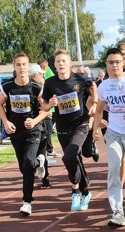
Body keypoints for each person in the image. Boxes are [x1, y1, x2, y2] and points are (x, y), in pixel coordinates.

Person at [42, 49, 97, 212]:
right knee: (73, 159)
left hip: (80, 124)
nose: (60, 64)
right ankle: (85, 191)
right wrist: (50, 104)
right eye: (58, 61)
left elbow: (93, 86)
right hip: (62, 128)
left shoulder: (80, 79)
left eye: (63, 61)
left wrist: (93, 103)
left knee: (70, 156)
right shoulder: (50, 83)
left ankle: (75, 191)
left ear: (69, 63)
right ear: (55, 64)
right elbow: (44, 105)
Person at [0, 52, 49, 216]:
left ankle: (27, 202)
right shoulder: (7, 87)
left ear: (29, 66)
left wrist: (34, 121)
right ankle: (40, 161)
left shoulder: (36, 87)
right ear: (14, 67)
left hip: (33, 130)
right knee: (24, 167)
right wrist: (6, 122)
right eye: (18, 65)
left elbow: (47, 110)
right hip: (15, 131)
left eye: (24, 64)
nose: (21, 68)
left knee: (27, 164)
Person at [93, 48, 125, 226]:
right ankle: (118, 211)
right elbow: (99, 111)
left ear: (123, 63)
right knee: (113, 169)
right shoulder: (103, 86)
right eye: (111, 62)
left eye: (117, 62)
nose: (114, 65)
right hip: (113, 133)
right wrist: (95, 130)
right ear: (106, 64)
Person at [29, 64, 52, 189]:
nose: (43, 76)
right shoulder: (37, 88)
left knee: (40, 153)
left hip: (40, 124)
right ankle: (42, 179)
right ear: (34, 75)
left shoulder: (41, 87)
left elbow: (47, 110)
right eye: (41, 74)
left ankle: (44, 179)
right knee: (38, 154)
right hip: (35, 125)